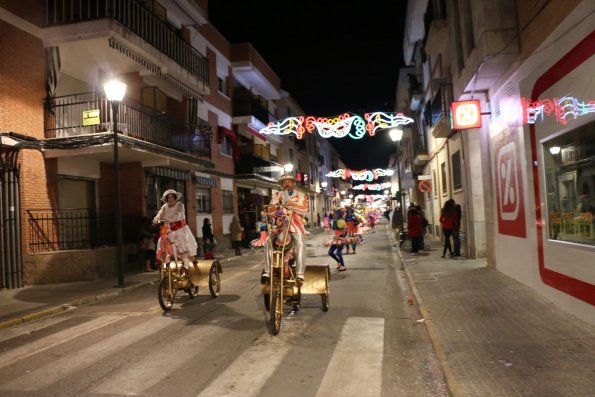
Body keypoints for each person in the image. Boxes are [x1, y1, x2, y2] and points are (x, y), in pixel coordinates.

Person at [262, 173, 309, 282]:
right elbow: (270, 211)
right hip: (279, 223)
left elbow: (303, 210)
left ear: (293, 183)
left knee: (300, 242)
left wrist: (288, 203)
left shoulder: (301, 195)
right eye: (284, 182)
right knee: (268, 242)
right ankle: (268, 271)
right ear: (282, 184)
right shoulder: (277, 195)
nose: (286, 184)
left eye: (288, 182)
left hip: (294, 223)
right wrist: (275, 208)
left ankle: (300, 273)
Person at [153, 189, 197, 271]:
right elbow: (159, 215)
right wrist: (156, 220)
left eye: (172, 197)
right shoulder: (164, 207)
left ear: (175, 198)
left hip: (180, 229)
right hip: (169, 230)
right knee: (161, 241)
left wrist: (170, 219)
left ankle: (186, 265)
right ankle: (166, 262)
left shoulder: (180, 205)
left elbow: (179, 214)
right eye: (168, 197)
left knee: (183, 243)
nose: (170, 199)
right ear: (166, 199)